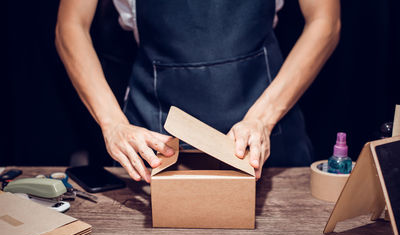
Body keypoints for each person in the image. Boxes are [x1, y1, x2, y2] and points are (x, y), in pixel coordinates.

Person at [55, 0, 341, 183]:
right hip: (155, 138)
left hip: (267, 124)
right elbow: (70, 26)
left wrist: (262, 120)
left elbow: (325, 22)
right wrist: (113, 124)